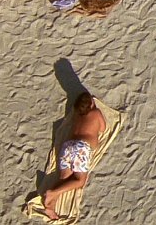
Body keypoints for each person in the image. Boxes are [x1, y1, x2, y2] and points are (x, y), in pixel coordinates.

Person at [41, 92, 107, 220]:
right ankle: (52, 193)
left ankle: (50, 206)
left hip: (67, 146)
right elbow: (103, 129)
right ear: (91, 104)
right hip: (81, 148)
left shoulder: (76, 114)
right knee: (79, 181)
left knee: (64, 180)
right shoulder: (96, 113)